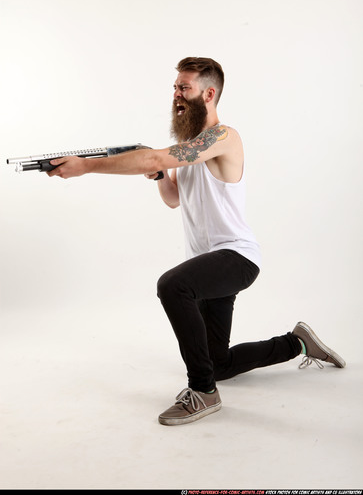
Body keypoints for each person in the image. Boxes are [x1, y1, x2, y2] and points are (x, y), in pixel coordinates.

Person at [48, 57, 346, 426]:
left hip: (236, 256)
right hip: (208, 263)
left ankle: (203, 393)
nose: (176, 95)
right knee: (217, 362)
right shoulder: (191, 146)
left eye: (184, 88)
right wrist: (161, 176)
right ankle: (297, 342)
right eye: (175, 87)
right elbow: (174, 198)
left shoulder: (222, 138)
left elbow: (155, 155)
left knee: (173, 285)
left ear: (208, 93)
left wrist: (87, 165)